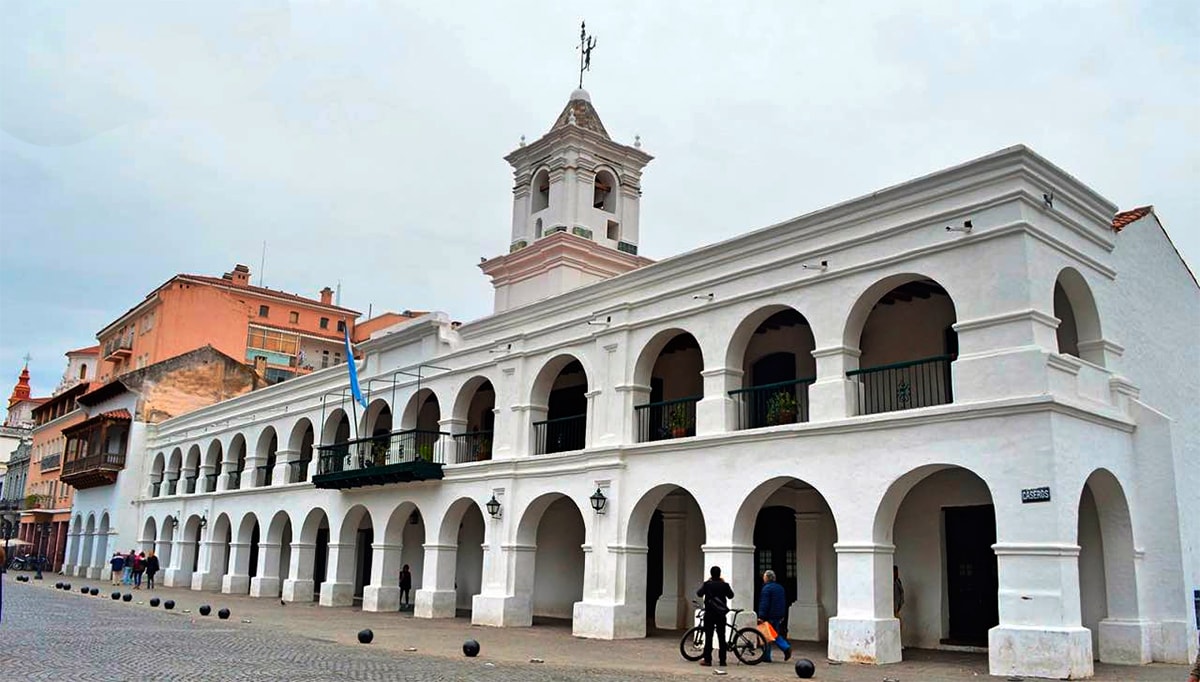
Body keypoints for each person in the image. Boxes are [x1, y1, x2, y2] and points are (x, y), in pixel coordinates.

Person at [696, 565, 734, 668]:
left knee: (709, 637)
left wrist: (708, 583)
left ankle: (708, 660)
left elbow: (699, 593)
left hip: (709, 614)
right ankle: (722, 661)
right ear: (719, 574)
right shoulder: (724, 585)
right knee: (722, 637)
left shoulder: (707, 584)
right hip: (721, 614)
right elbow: (731, 595)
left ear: (711, 574)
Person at [757, 569, 791, 662]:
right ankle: (785, 647)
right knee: (774, 633)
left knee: (767, 635)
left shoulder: (766, 588)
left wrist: (761, 616)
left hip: (769, 615)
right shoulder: (780, 587)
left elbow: (765, 603)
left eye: (764, 576)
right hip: (778, 614)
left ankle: (768, 655)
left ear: (767, 578)